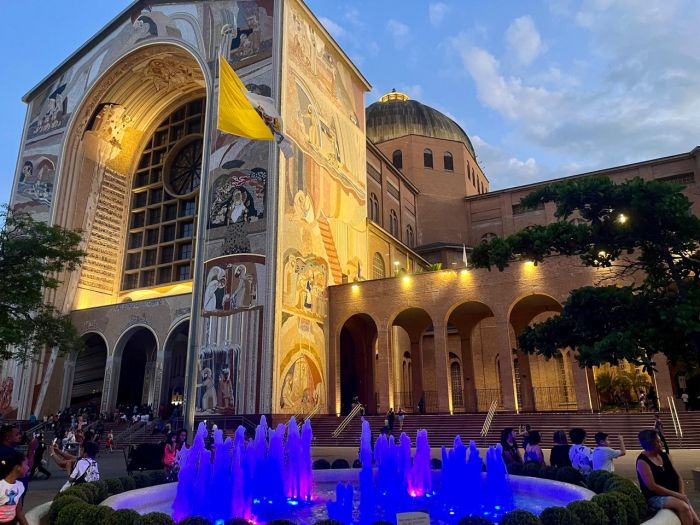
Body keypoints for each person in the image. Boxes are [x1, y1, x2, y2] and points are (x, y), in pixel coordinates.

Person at [637, 429, 700, 525]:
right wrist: (676, 495)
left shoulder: (665, 456)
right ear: (649, 444)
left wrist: (681, 493)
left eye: (660, 441)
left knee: (697, 522)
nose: (661, 444)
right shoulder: (642, 462)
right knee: (683, 507)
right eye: (658, 442)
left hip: (674, 493)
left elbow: (677, 476)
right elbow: (652, 487)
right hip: (656, 497)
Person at [0, 451, 29, 525]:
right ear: (17, 467)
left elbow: (19, 512)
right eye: (26, 464)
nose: (28, 468)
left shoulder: (20, 485)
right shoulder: (1, 485)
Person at [0, 425, 28, 495]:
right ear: (8, 437)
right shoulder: (6, 453)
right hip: (9, 494)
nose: (20, 436)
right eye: (17, 434)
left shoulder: (10, 450)